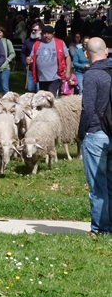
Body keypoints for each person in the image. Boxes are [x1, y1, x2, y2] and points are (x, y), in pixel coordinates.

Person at [78, 37, 112, 235]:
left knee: (98, 185)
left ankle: (100, 228)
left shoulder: (92, 75)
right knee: (109, 182)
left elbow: (88, 108)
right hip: (111, 132)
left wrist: (82, 133)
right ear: (106, 51)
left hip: (96, 134)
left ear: (86, 54)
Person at [28, 24, 72, 96]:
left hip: (55, 77)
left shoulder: (60, 43)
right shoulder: (37, 44)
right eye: (44, 33)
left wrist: (68, 71)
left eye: (48, 33)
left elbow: (67, 57)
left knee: (51, 96)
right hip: (41, 77)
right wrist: (29, 59)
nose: (46, 35)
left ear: (53, 34)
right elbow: (32, 57)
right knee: (43, 97)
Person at [20, 22, 42, 93]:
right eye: (32, 30)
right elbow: (22, 53)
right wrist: (25, 64)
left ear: (40, 31)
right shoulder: (28, 41)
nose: (33, 31)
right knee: (30, 89)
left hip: (40, 70)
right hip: (30, 69)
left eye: (35, 30)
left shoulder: (44, 42)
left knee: (39, 90)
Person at [0, 26, 16, 95]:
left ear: (3, 33)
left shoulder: (7, 41)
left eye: (0, 32)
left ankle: (7, 102)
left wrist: (8, 60)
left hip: (5, 67)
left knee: (5, 87)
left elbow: (12, 53)